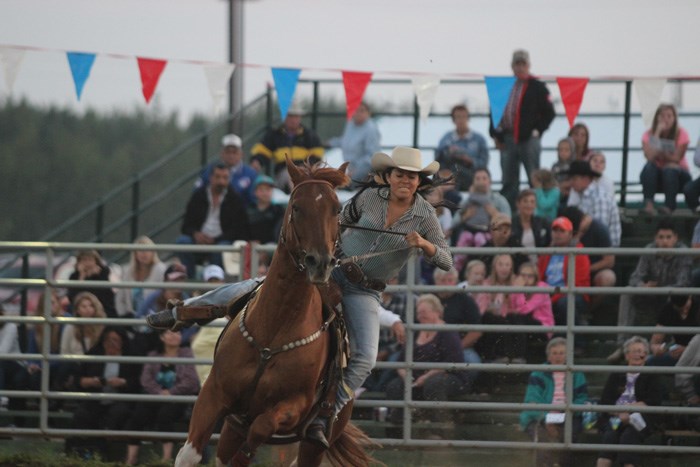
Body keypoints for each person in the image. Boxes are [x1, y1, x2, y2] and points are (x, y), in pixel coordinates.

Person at [146, 146, 453, 450]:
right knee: (254, 286)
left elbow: (446, 261)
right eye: (400, 174)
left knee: (365, 358)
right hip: (332, 270)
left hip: (365, 289)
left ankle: (326, 412)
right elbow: (334, 220)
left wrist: (426, 246)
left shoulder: (425, 215)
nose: (406, 181)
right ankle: (181, 312)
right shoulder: (369, 198)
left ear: (420, 181)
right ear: (389, 176)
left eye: (412, 177)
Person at [609, 218, 692, 362]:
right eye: (661, 237)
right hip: (650, 297)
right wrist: (643, 287)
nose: (664, 242)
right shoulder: (649, 250)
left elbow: (682, 284)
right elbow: (634, 278)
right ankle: (622, 345)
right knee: (627, 292)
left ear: (676, 238)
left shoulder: (683, 253)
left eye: (668, 237)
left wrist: (659, 289)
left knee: (675, 295)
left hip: (672, 299)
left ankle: (672, 345)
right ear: (655, 238)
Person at [385, 294, 470, 426]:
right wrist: (405, 375)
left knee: (434, 385)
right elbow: (401, 361)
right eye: (418, 313)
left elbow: (452, 363)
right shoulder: (415, 331)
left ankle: (440, 430)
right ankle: (399, 432)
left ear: (437, 312)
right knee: (394, 386)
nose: (420, 316)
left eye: (424, 312)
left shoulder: (448, 332)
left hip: (447, 376)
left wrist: (426, 377)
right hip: (416, 378)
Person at [489, 49, 556, 209]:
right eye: (517, 64)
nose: (520, 68)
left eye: (523, 64)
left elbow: (549, 112)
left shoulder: (538, 87)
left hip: (529, 139)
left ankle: (536, 212)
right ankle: (508, 213)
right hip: (507, 138)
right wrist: (495, 135)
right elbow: (494, 112)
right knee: (508, 180)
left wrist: (538, 130)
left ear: (528, 66)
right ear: (512, 66)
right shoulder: (503, 86)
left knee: (534, 177)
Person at [125, 329, 200, 465]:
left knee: (165, 415)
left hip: (178, 398)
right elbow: (145, 379)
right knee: (137, 416)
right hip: (156, 396)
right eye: (170, 333)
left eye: (177, 333)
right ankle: (131, 459)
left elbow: (191, 381)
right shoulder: (153, 355)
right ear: (161, 337)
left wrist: (172, 392)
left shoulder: (188, 354)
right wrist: (160, 392)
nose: (174, 336)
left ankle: (166, 459)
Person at [65, 327, 141, 460]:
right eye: (108, 340)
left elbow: (138, 382)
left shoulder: (131, 357)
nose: (111, 344)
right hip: (95, 399)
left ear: (123, 342)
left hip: (120, 400)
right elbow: (78, 379)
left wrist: (123, 382)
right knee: (81, 415)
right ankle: (77, 453)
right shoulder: (94, 354)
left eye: (116, 340)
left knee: (117, 414)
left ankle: (103, 453)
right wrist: (88, 381)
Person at [175, 162, 250, 280]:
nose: (221, 181)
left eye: (225, 178)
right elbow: (186, 225)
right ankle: (189, 281)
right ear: (210, 178)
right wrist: (196, 234)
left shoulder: (235, 199)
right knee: (182, 242)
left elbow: (239, 230)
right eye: (218, 177)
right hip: (198, 241)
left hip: (221, 242)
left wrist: (215, 239)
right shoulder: (198, 196)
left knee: (222, 247)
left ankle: (215, 284)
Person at [520, 338, 588, 467]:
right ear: (548, 356)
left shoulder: (577, 373)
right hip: (541, 415)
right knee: (542, 437)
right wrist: (546, 418)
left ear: (568, 356)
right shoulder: (538, 373)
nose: (558, 356)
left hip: (568, 415)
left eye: (562, 353)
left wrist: (568, 412)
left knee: (569, 436)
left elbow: (581, 399)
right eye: (554, 353)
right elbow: (532, 400)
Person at [596, 336, 663, 467]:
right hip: (615, 416)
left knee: (628, 438)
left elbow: (653, 401)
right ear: (627, 355)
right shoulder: (617, 373)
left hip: (642, 417)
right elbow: (606, 400)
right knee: (609, 437)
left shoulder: (652, 373)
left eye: (642, 351)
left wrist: (628, 410)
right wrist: (618, 412)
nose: (639, 355)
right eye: (635, 351)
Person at [250, 101, 324, 192]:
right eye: (290, 116)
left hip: (306, 173)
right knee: (291, 177)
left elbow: (317, 156)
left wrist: (304, 168)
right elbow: (262, 151)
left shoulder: (310, 135)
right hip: (283, 174)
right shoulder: (274, 135)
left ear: (300, 118)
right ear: (284, 117)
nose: (293, 120)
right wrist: (257, 161)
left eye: (296, 116)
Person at [451, 168, 511, 272]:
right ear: (473, 182)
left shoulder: (499, 200)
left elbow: (508, 222)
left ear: (490, 181)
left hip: (489, 235)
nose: (481, 181)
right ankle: (455, 272)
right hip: (468, 232)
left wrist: (494, 214)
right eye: (477, 178)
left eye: (484, 178)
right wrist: (466, 216)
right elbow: (454, 222)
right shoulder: (468, 200)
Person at [537, 217, 590, 330]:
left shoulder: (578, 252)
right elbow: (539, 278)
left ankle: (579, 343)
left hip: (571, 294)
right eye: (555, 230)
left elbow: (578, 284)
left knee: (564, 303)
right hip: (548, 294)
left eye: (562, 231)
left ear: (570, 234)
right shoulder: (546, 253)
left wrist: (552, 299)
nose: (558, 234)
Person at [433, 267, 481, 386]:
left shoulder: (465, 300)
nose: (447, 284)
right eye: (443, 280)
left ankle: (460, 387)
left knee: (473, 363)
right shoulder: (429, 297)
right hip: (430, 346)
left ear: (456, 282)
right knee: (396, 360)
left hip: (460, 346)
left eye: (450, 280)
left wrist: (457, 347)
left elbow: (477, 331)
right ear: (436, 281)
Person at [640, 103, 691, 215]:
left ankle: (669, 206)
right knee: (649, 167)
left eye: (669, 116)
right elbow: (649, 157)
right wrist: (657, 133)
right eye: (662, 116)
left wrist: (663, 154)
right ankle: (649, 205)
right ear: (657, 118)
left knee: (670, 169)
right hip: (657, 175)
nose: (665, 119)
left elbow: (677, 158)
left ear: (674, 118)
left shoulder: (682, 134)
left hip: (678, 175)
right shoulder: (647, 134)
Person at [135, 263, 192, 353]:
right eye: (175, 279)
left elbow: (191, 328)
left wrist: (177, 340)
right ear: (166, 280)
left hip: (177, 341)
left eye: (181, 279)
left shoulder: (187, 300)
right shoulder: (154, 296)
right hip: (153, 339)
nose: (179, 282)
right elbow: (139, 316)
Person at [57, 292, 107, 390]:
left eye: (91, 306)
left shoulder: (102, 327)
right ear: (77, 310)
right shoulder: (70, 327)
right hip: (75, 366)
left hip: (95, 366)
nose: (88, 309)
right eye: (83, 306)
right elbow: (64, 353)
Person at [566, 160, 622, 247]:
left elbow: (599, 231)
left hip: (602, 251)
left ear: (585, 179)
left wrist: (577, 237)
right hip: (592, 248)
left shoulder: (600, 198)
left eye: (574, 178)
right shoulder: (584, 196)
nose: (571, 183)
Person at [435, 104, 490, 191]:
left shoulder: (479, 139)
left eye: (463, 117)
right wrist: (449, 152)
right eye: (458, 117)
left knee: (457, 169)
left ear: (468, 118)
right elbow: (437, 159)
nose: (461, 120)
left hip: (471, 174)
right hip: (450, 174)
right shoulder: (446, 139)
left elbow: (484, 162)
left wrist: (469, 160)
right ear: (453, 120)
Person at [327, 101, 381, 188]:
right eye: (355, 110)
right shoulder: (350, 125)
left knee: (339, 185)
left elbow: (371, 156)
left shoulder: (371, 129)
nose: (358, 113)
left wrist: (356, 171)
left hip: (365, 171)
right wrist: (331, 143)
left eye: (362, 110)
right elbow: (345, 140)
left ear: (368, 113)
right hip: (350, 169)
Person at [195, 133, 257, 207]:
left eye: (234, 152)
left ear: (241, 154)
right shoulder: (209, 171)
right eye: (228, 152)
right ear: (222, 153)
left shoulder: (251, 174)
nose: (231, 156)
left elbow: (254, 201)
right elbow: (197, 193)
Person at [115, 235, 167, 317]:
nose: (144, 253)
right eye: (140, 250)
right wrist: (124, 316)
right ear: (135, 253)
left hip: (154, 318)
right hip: (130, 317)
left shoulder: (160, 269)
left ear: (153, 252)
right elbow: (120, 298)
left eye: (147, 250)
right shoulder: (127, 271)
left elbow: (164, 297)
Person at [648, 295, 698, 366]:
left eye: (686, 307)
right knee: (650, 361)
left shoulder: (697, 306)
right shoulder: (668, 309)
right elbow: (655, 341)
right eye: (680, 309)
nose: (684, 311)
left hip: (697, 354)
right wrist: (657, 348)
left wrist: (686, 350)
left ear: (690, 297)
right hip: (676, 353)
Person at [473, 213, 529, 278]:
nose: (503, 232)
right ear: (491, 230)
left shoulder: (519, 251)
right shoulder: (482, 253)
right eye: (499, 229)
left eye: (507, 229)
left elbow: (526, 271)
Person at [67, 249, 117, 317]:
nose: (87, 263)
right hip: (81, 312)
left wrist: (93, 276)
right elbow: (73, 297)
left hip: (104, 310)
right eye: (84, 260)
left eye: (90, 260)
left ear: (96, 262)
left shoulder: (103, 273)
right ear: (79, 262)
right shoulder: (74, 276)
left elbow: (104, 295)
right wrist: (82, 277)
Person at [511, 188, 551, 265]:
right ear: (518, 204)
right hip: (517, 266)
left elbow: (549, 243)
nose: (529, 205)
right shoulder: (511, 223)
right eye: (525, 201)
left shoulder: (543, 223)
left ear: (535, 205)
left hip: (540, 265)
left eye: (532, 202)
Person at [246, 174, 285, 245]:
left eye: (268, 189)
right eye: (261, 189)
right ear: (255, 192)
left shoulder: (279, 210)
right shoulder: (248, 210)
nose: (265, 193)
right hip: (250, 246)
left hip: (271, 247)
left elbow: (279, 233)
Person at [552, 137, 576, 203]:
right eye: (561, 150)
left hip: (571, 194)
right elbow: (552, 180)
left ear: (572, 151)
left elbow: (575, 180)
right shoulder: (555, 166)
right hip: (557, 194)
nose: (563, 152)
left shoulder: (574, 165)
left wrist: (563, 185)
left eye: (566, 150)